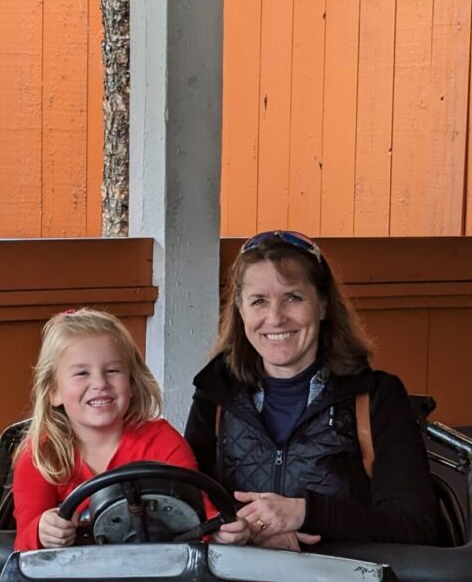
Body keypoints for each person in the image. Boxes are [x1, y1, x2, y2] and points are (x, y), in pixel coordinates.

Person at [185, 231, 439, 550]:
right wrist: (221, 530)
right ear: (240, 310)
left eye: (293, 297)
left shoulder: (376, 397)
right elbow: (187, 509)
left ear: (322, 305)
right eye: (259, 301)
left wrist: (306, 514)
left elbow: (417, 526)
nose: (275, 318)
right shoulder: (215, 395)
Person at [12, 308, 248, 551]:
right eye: (82, 373)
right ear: (54, 392)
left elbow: (201, 516)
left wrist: (224, 532)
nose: (100, 383)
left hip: (155, 575)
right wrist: (44, 530)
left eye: (112, 371)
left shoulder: (162, 441)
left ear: (132, 383)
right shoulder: (41, 457)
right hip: (72, 581)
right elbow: (23, 546)